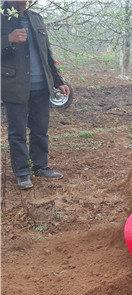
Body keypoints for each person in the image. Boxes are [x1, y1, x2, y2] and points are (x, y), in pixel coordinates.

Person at [1, 0, 70, 190]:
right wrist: (8, 39)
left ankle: (40, 166)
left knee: (40, 129)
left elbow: (47, 53)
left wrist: (58, 81)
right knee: (17, 132)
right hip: (15, 86)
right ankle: (22, 173)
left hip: (41, 86)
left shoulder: (36, 18)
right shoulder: (2, 17)